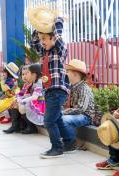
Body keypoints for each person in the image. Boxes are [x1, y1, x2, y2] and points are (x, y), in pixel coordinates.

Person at [28, 6, 72, 158]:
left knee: (48, 121)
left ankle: (57, 148)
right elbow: (33, 42)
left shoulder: (60, 50)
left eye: (45, 39)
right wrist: (38, 26)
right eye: (42, 39)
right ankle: (69, 141)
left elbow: (58, 35)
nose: (42, 42)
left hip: (57, 89)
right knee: (57, 118)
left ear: (53, 37)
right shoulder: (45, 52)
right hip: (49, 90)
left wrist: (57, 21)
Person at [62, 59, 97, 152]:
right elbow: (65, 102)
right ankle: (65, 141)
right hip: (77, 114)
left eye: (68, 71)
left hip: (86, 116)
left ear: (75, 74)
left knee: (64, 119)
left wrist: (63, 112)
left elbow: (81, 108)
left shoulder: (83, 88)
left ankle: (70, 144)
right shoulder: (72, 87)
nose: (66, 74)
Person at [18, 64, 44, 134]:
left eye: (27, 73)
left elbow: (35, 97)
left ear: (34, 74)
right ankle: (20, 125)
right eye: (23, 74)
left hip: (39, 103)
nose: (25, 76)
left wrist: (22, 101)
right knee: (18, 105)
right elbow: (20, 94)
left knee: (24, 107)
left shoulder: (38, 83)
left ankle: (31, 127)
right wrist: (18, 100)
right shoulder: (26, 84)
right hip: (32, 101)